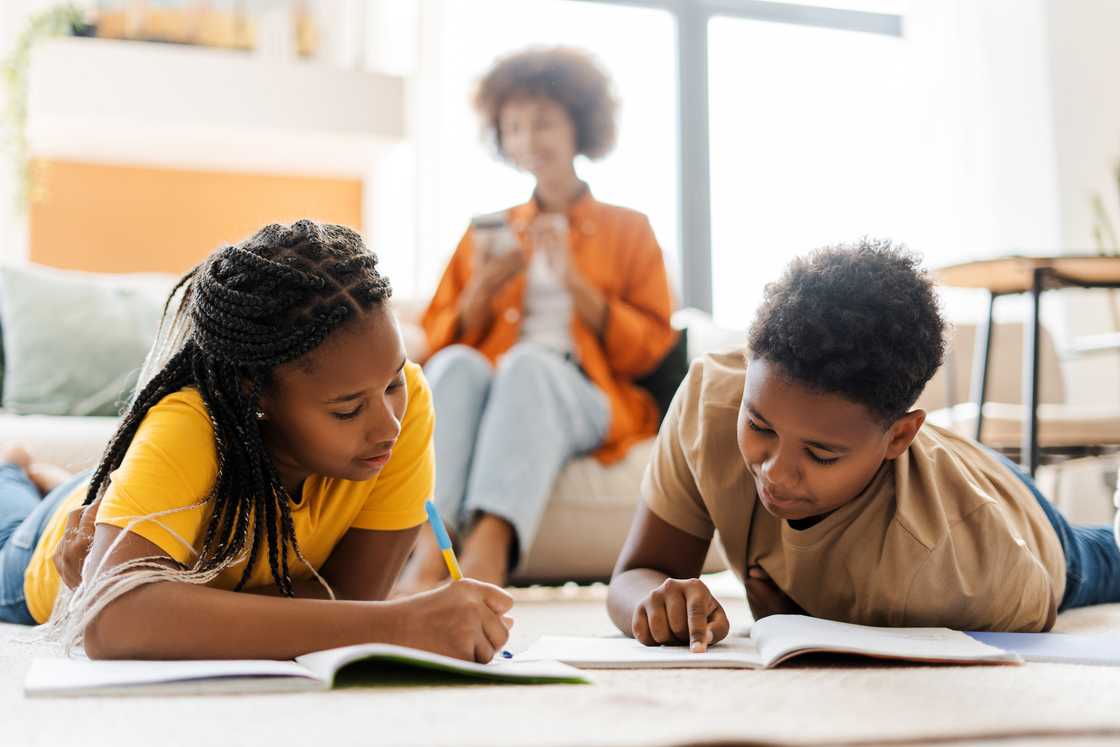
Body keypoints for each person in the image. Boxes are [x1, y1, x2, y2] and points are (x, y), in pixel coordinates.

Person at [0, 220, 512, 663]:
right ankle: (17, 470)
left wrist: (165, 601)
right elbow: (110, 622)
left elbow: (352, 595)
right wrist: (400, 625)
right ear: (254, 393)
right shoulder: (192, 424)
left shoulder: (407, 406)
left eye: (393, 383)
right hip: (40, 552)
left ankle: (49, 479)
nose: (389, 427)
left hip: (148, 510)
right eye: (347, 409)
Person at [608, 238, 1120, 651]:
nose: (777, 474)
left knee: (1104, 555)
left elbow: (1031, 625)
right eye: (760, 427)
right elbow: (634, 574)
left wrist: (798, 616)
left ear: (897, 436)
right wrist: (656, 604)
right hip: (946, 454)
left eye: (820, 454)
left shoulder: (970, 561)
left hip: (1019, 516)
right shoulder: (712, 401)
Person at [398, 48, 677, 592]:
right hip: (499, 386)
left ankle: (489, 552)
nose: (529, 139)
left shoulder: (630, 229)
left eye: (544, 123)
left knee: (527, 365)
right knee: (456, 365)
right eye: (515, 127)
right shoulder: (488, 231)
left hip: (584, 390)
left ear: (579, 126)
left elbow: (650, 349)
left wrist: (575, 280)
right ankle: (430, 552)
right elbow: (434, 342)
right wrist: (481, 288)